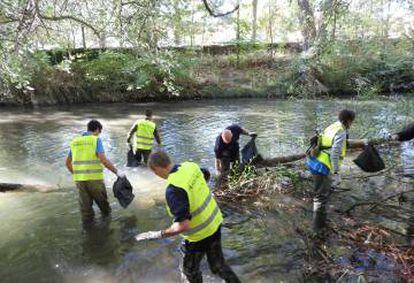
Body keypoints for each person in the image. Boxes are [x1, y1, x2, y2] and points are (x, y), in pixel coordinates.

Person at [134, 150, 241, 283]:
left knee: (190, 272)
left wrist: (158, 234)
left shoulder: (173, 189)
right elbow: (205, 174)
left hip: (198, 237)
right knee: (218, 266)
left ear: (156, 169)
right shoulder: (190, 166)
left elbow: (183, 226)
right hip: (215, 223)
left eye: (155, 173)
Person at [65, 120, 125, 224]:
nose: (99, 134)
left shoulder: (74, 142)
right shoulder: (96, 140)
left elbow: (67, 163)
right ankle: (106, 230)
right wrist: (117, 172)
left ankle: (88, 233)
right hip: (94, 180)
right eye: (100, 131)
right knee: (104, 208)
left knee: (86, 211)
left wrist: (76, 174)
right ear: (97, 129)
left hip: (80, 181)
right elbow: (103, 160)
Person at [306, 109, 356, 233]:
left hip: (313, 160)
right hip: (321, 166)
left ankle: (320, 221)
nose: (352, 124)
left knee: (321, 193)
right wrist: (336, 172)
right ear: (349, 121)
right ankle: (318, 229)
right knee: (320, 198)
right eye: (352, 121)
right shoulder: (341, 132)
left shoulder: (333, 126)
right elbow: (334, 154)